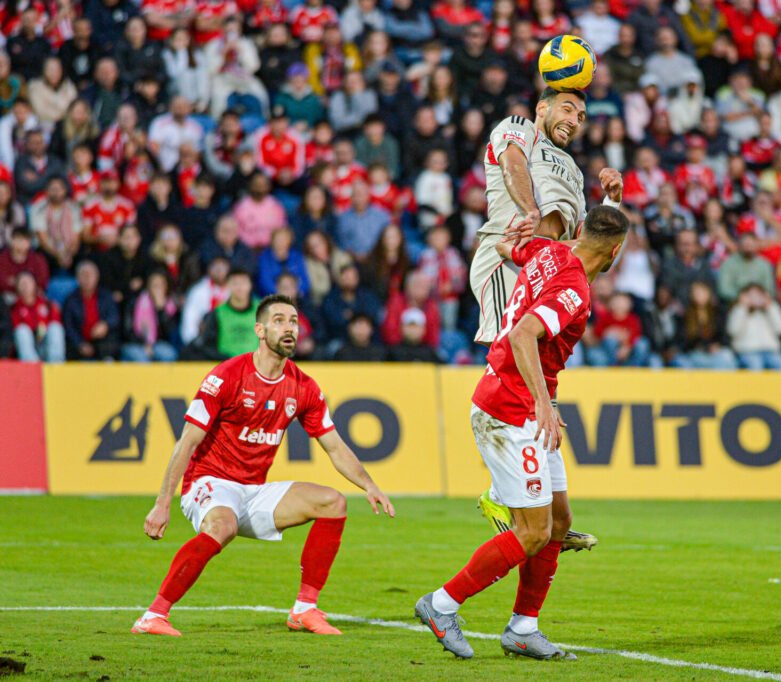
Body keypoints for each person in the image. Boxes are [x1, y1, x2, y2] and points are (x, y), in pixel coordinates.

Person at [415, 205, 628, 661]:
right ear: (615, 252)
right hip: (511, 411)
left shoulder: (553, 250)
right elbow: (523, 335)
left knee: (559, 522)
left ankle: (523, 628)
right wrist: (542, 402)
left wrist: (511, 237)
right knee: (533, 532)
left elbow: (506, 247)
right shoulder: (574, 288)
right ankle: (441, 604)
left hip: (520, 403)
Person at [132, 293, 395, 636]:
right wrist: (162, 503)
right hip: (210, 482)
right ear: (259, 329)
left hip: (254, 490)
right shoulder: (226, 376)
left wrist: (369, 485)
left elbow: (334, 446)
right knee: (222, 525)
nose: (290, 328)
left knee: (333, 502)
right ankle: (154, 615)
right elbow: (187, 442)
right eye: (279, 320)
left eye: (294, 322)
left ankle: (304, 609)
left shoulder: (303, 386)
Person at [468, 87, 622, 553]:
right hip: (508, 257)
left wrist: (611, 203)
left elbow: (591, 251)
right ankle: (504, 493)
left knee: (541, 357)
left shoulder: (572, 172)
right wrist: (529, 209)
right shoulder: (518, 128)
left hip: (543, 264)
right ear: (542, 108)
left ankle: (544, 508)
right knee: (513, 349)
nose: (574, 119)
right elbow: (513, 163)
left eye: (582, 114)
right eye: (567, 108)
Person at [63, 259, 121, 361]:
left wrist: (105, 325)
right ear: (77, 278)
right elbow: (69, 327)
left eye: (90, 275)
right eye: (84, 275)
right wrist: (80, 344)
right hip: (80, 341)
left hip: (102, 342)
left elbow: (114, 316)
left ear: (97, 277)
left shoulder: (106, 296)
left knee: (113, 340)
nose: (87, 279)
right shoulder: (70, 300)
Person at [726, 283, 781, 370]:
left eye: (758, 295)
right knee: (755, 365)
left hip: (771, 351)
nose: (755, 298)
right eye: (751, 295)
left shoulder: (771, 309)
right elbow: (733, 331)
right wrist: (743, 307)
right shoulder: (738, 310)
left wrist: (770, 306)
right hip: (747, 351)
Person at [11, 271, 65, 362]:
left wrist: (41, 330)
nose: (25, 286)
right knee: (22, 331)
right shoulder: (14, 308)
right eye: (22, 283)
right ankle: (31, 366)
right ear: (17, 287)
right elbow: (16, 329)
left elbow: (55, 322)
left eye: (28, 282)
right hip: (27, 349)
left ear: (35, 285)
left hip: (46, 346)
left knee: (55, 327)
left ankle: (56, 365)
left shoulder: (47, 304)